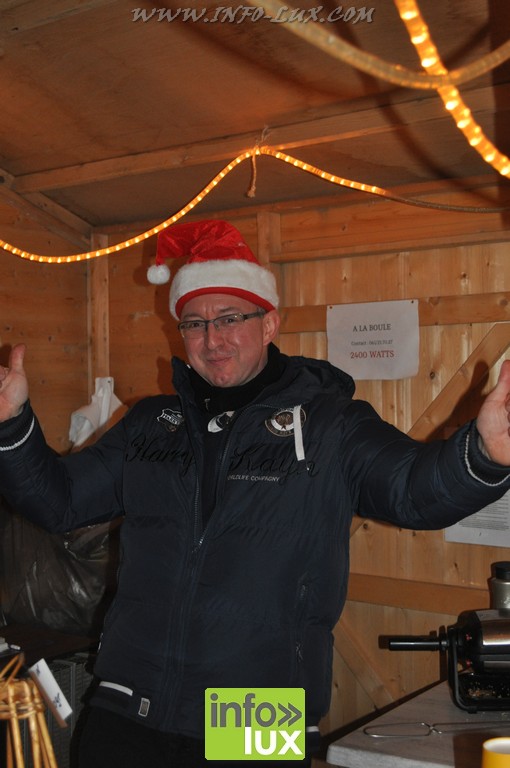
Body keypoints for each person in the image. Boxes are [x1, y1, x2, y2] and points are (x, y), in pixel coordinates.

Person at [1, 219, 510, 768]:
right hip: (128, 702)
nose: (212, 339)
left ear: (269, 323)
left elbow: (414, 491)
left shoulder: (329, 425)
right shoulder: (152, 423)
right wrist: (11, 428)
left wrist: (483, 455)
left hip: (259, 709)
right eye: (194, 323)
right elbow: (59, 502)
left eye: (230, 319)